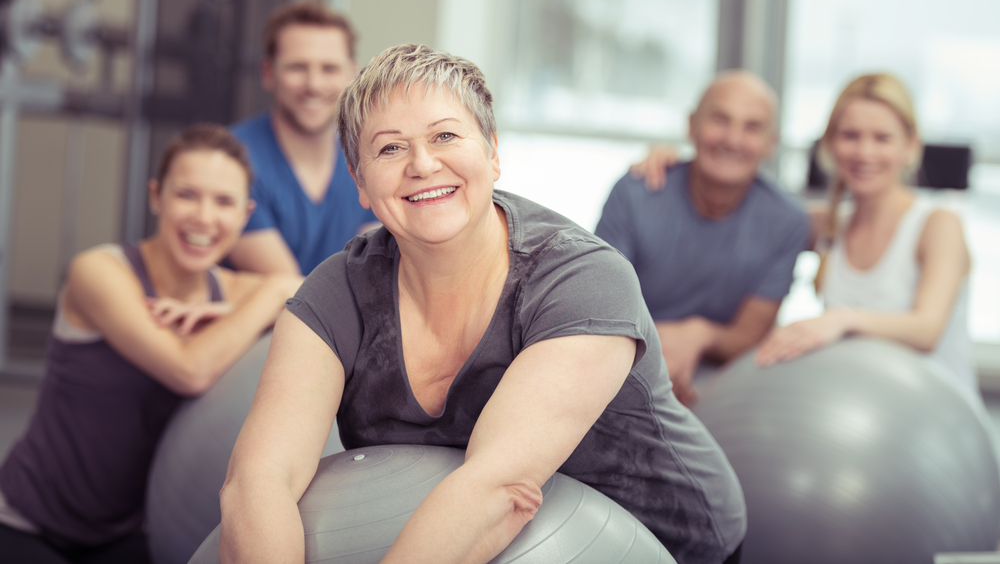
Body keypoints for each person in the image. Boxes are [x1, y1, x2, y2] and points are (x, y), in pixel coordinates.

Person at [219, 45, 746, 564]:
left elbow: (499, 489)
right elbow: (259, 480)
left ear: (493, 153)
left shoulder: (581, 279)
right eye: (389, 149)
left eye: (445, 135)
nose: (422, 164)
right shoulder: (336, 295)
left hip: (669, 542)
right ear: (359, 182)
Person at [0, 124, 302, 563]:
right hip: (26, 523)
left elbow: (325, 291)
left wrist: (253, 303)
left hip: (128, 532)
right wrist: (272, 295)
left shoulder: (237, 293)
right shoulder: (100, 272)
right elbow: (188, 369)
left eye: (223, 202)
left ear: (245, 214)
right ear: (156, 196)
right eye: (186, 194)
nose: (203, 216)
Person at [755, 73, 980, 405]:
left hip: (939, 424)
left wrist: (841, 319)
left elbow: (927, 330)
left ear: (910, 145)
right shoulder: (826, 223)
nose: (864, 151)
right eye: (850, 135)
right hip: (862, 417)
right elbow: (743, 210)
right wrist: (673, 166)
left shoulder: (938, 223)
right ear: (829, 143)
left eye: (882, 138)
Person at [594, 71, 810, 405]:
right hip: (621, 361)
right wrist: (655, 359)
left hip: (720, 380)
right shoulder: (636, 192)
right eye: (720, 120)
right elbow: (600, 304)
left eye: (752, 127)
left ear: (771, 143)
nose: (733, 139)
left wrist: (700, 333)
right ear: (692, 125)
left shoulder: (787, 221)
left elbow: (751, 333)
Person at [227, 2, 379, 276]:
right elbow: (293, 296)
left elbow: (371, 274)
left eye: (329, 69)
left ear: (352, 74)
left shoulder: (371, 156)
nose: (314, 85)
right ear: (268, 72)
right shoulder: (230, 161)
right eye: (297, 67)